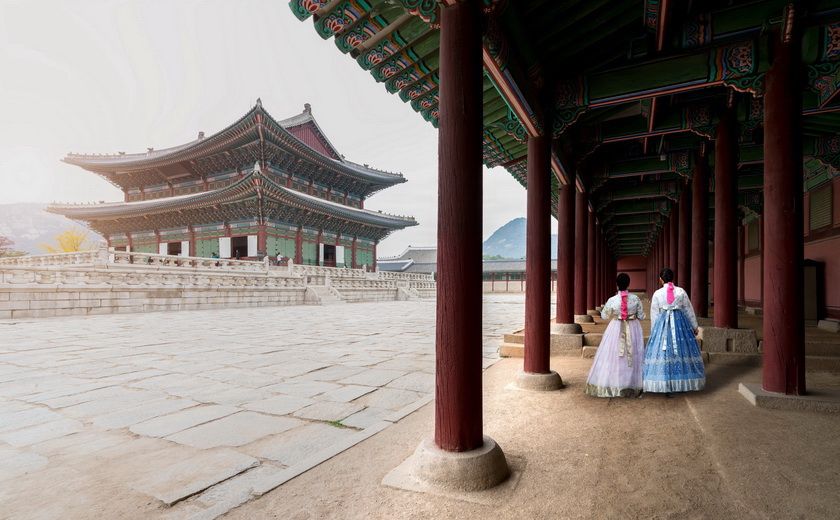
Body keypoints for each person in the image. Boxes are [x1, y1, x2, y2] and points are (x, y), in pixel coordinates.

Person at [643, 267, 705, 395]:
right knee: (681, 350)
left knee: (664, 350)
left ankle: (664, 380)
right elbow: (688, 310)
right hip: (680, 323)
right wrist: (694, 327)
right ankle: (681, 380)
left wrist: (654, 331)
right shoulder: (681, 291)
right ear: (673, 278)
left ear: (661, 279)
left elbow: (654, 314)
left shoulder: (657, 293)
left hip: (662, 324)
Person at [584, 273, 646, 398]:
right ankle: (633, 383)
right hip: (633, 327)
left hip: (616, 327)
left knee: (614, 354)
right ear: (628, 284)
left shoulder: (612, 300)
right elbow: (641, 316)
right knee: (633, 353)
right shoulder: (635, 299)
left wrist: (616, 313)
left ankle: (614, 383)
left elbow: (604, 316)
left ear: (617, 284)